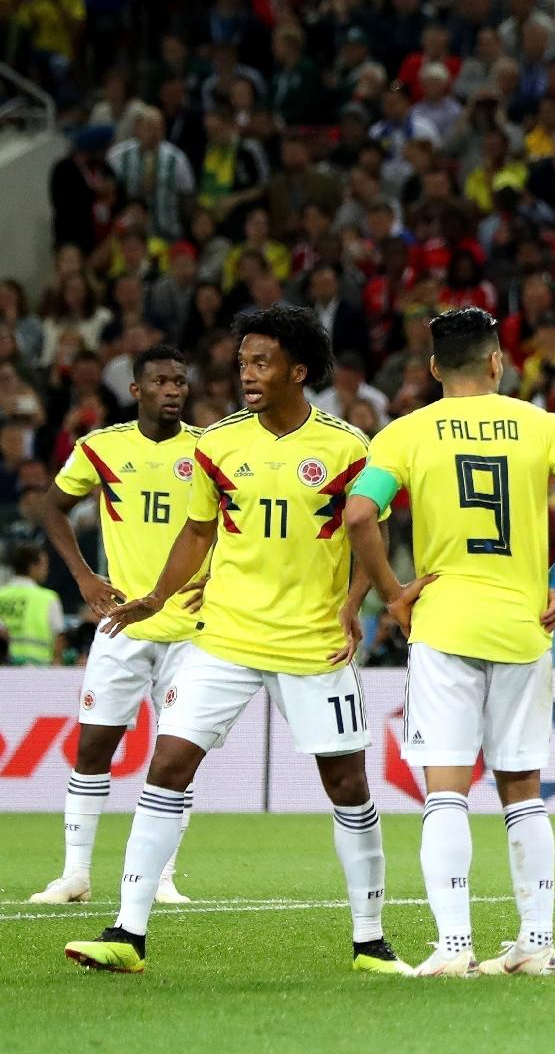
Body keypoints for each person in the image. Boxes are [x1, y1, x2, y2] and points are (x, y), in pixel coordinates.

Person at [70, 305, 407, 975]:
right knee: (167, 765)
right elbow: (198, 532)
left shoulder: (347, 446)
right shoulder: (219, 444)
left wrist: (354, 602)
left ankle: (370, 940)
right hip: (222, 636)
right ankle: (127, 933)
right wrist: (159, 596)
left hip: (312, 644)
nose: (246, 374)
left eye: (262, 362)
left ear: (298, 370)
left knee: (346, 784)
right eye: (243, 361)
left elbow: (374, 527)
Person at [342, 305, 555, 978]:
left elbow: (357, 514)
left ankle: (456, 949)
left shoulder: (405, 434)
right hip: (525, 627)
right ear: (497, 362)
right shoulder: (541, 425)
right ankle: (536, 943)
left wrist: (391, 592)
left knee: (446, 791)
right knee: (523, 789)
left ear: (434, 368)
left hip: (444, 625)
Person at [29, 345, 203, 907]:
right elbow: (50, 507)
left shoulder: (208, 449)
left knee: (177, 756)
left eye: (180, 381)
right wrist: (81, 577)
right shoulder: (102, 448)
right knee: (93, 747)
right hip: (121, 625)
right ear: (137, 391)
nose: (173, 390)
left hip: (191, 631)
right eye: (160, 381)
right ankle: (75, 874)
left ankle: (164, 877)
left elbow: (235, 523)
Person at [0, 544, 64, 665]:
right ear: (32, 567)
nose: (47, 570)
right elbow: (58, 639)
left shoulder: (1, 595)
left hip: (3, 665)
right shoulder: (48, 598)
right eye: (44, 565)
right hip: (37, 668)